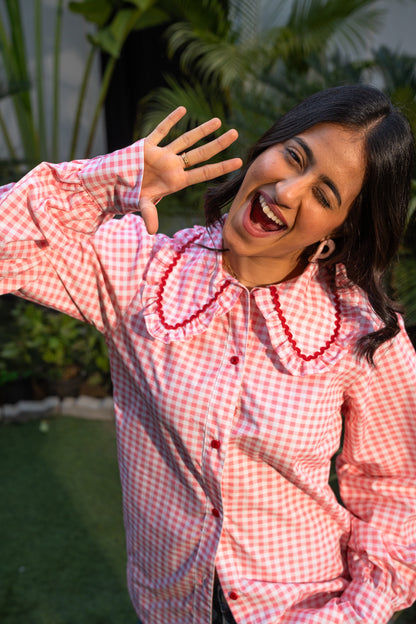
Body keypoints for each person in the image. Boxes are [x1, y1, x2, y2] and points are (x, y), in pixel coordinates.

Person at [1, 84, 416, 624]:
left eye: (325, 195)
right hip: (171, 606)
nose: (289, 191)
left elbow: (397, 490)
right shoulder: (140, 274)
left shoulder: (361, 332)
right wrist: (108, 181)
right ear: (268, 147)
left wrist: (358, 612)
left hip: (305, 608)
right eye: (294, 157)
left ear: (339, 231)